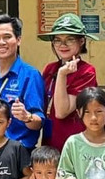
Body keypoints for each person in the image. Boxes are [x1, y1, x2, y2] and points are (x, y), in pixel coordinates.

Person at [0, 14, 44, 151]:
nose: (1, 42)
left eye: (7, 37)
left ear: (18, 40)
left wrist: (26, 116)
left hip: (18, 152)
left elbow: (38, 123)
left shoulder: (30, 75)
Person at [38, 14, 99, 153]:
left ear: (81, 41)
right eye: (57, 40)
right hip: (50, 140)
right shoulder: (49, 68)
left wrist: (61, 74)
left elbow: (61, 111)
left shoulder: (87, 71)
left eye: (70, 39)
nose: (63, 45)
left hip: (74, 144)